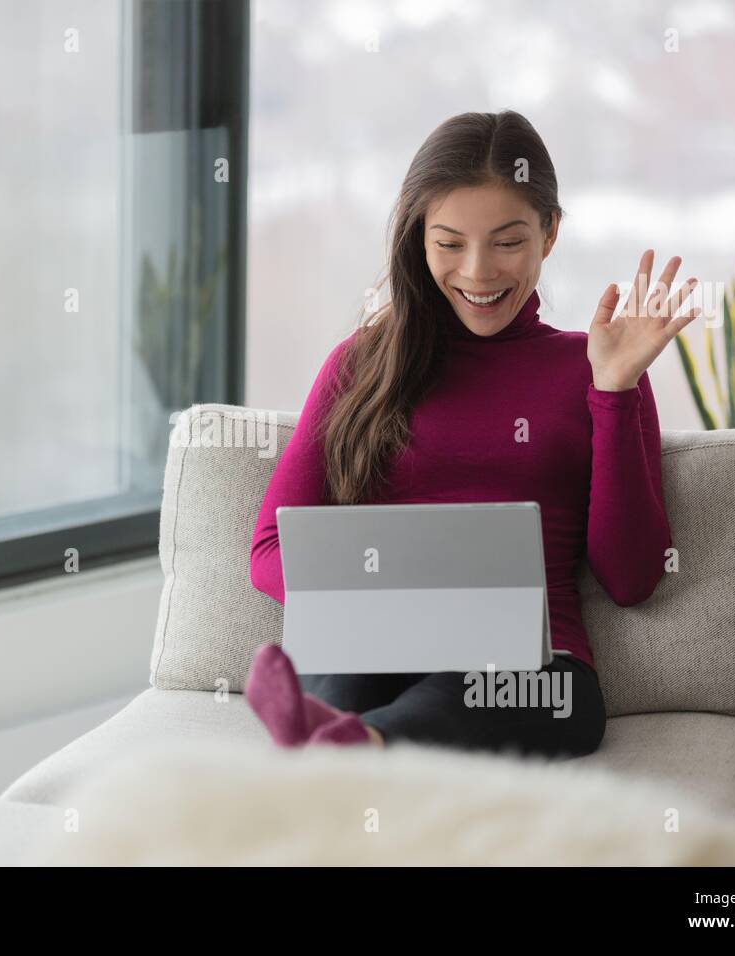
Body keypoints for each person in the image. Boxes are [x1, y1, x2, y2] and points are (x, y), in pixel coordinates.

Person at [244, 110, 698, 756]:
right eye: (450, 243)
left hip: (529, 666)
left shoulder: (594, 370)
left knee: (529, 695)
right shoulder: (362, 362)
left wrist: (614, 392)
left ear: (550, 231)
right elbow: (266, 547)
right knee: (343, 670)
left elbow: (631, 578)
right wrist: (394, 599)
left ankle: (353, 743)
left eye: (508, 242)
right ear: (418, 236)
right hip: (373, 645)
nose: (479, 272)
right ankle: (343, 733)